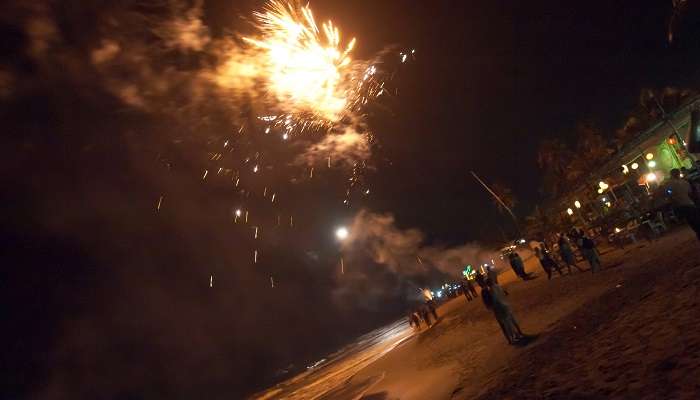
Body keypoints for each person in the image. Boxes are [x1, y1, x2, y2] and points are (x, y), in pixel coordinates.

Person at [481, 278, 524, 344]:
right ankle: (518, 334)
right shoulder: (497, 287)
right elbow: (505, 293)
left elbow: (494, 301)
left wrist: (493, 307)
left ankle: (513, 338)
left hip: (500, 308)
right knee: (511, 321)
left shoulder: (490, 291)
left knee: (506, 324)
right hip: (506, 306)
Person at [664, 168, 700, 239]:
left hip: (680, 205)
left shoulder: (669, 184)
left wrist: (672, 196)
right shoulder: (685, 182)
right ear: (679, 174)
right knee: (695, 220)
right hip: (689, 203)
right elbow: (690, 192)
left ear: (671, 175)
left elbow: (668, 193)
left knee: (691, 221)